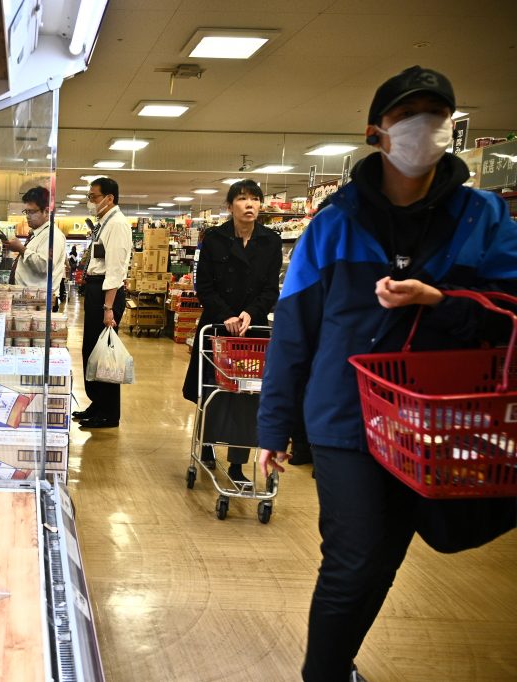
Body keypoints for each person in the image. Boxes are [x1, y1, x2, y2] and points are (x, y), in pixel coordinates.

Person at [257, 66, 517, 682]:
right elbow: (293, 333)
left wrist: (440, 302)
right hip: (346, 418)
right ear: (377, 132)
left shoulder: (481, 217)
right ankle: (324, 674)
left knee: (392, 553)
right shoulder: (333, 223)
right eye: (408, 114)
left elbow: (509, 315)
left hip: (440, 419)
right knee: (355, 558)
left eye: (437, 112)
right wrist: (273, 426)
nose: (424, 125)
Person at [180, 179, 281, 484]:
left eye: (255, 199)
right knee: (212, 388)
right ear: (230, 206)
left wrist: (250, 313)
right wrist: (226, 316)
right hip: (217, 328)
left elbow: (269, 288)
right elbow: (204, 286)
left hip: (252, 331)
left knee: (247, 395)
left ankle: (238, 463)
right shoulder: (214, 238)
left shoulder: (271, 241)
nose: (249, 204)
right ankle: (208, 444)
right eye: (242, 199)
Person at [74, 177, 132, 428]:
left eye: (93, 197)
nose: (90, 202)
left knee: (105, 354)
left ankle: (109, 413)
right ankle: (97, 403)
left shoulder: (117, 224)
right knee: (91, 351)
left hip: (108, 294)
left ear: (109, 198)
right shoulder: (104, 223)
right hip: (97, 290)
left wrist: (108, 308)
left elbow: (116, 270)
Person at [5, 186, 66, 305]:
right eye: (26, 211)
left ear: (47, 211)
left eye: (32, 211)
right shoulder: (37, 234)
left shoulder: (52, 235)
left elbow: (45, 266)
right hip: (28, 299)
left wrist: (21, 249)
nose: (27, 216)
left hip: (39, 303)